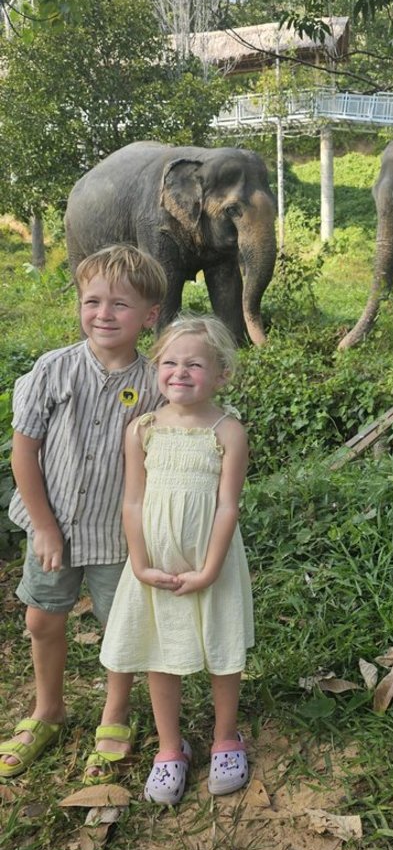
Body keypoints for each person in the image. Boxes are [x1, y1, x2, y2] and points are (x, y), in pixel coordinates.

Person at [0, 244, 167, 782]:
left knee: (118, 625)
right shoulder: (54, 369)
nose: (103, 314)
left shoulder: (155, 384)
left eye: (119, 304)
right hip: (53, 529)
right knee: (42, 618)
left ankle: (115, 715)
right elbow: (24, 451)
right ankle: (47, 711)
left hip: (117, 536)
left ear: (150, 315)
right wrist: (45, 528)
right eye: (92, 301)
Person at [100, 314, 254, 806]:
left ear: (221, 373)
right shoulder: (141, 429)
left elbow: (228, 505)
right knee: (157, 650)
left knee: (221, 649)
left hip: (213, 563)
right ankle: (170, 748)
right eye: (169, 362)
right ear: (155, 368)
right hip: (155, 564)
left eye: (194, 364)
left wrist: (210, 568)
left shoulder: (228, 432)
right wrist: (140, 564)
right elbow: (131, 502)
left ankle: (226, 737)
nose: (180, 372)